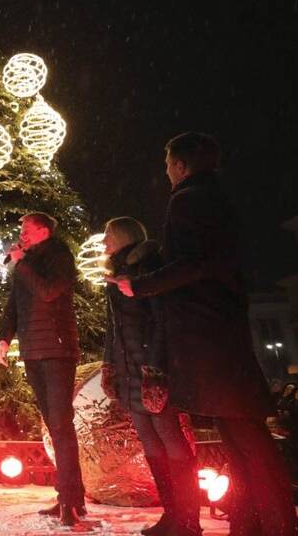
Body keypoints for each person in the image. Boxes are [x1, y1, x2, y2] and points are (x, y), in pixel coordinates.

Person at [110, 132, 297, 535]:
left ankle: (274, 524)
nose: (165, 174)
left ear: (180, 165)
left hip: (208, 336)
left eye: (167, 166)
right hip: (217, 330)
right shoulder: (214, 199)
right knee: (239, 434)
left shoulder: (188, 201)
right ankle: (252, 522)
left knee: (245, 436)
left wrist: (141, 285)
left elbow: (194, 264)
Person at [97, 216, 203, 535]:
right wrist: (110, 365)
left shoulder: (148, 269)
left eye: (108, 236)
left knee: (170, 439)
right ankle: (172, 515)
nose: (103, 243)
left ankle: (189, 519)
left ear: (125, 237)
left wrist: (154, 369)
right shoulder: (116, 277)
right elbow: (113, 330)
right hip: (130, 372)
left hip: (151, 372)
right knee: (151, 443)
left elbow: (161, 320)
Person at [0, 213, 85, 524]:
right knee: (53, 424)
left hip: (58, 350)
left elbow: (48, 291)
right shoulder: (26, 263)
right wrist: (4, 338)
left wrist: (22, 263)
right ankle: (71, 495)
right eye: (22, 231)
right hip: (34, 350)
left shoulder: (59, 256)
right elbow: (15, 305)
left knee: (61, 424)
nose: (23, 235)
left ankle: (70, 500)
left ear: (44, 231)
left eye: (27, 230)